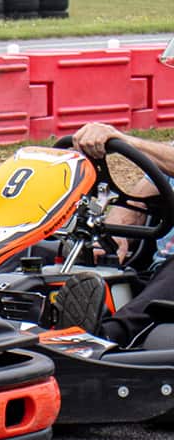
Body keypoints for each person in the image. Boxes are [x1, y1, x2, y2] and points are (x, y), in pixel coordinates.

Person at [63, 116, 174, 343]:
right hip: (159, 275)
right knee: (46, 246)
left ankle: (106, 337)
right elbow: (139, 199)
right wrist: (113, 236)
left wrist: (123, 140)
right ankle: (7, 312)